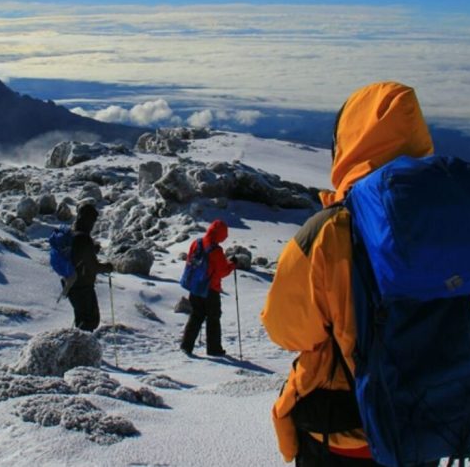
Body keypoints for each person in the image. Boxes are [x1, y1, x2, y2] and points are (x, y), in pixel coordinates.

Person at [260, 82, 440, 466]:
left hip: (342, 430)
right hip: (424, 421)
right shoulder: (448, 220)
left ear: (350, 141)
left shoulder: (329, 232)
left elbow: (284, 328)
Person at [180, 219, 236, 357]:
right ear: (220, 234)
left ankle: (186, 345)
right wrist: (232, 264)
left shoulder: (197, 243)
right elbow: (222, 271)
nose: (225, 237)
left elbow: (190, 260)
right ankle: (214, 349)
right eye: (224, 234)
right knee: (213, 318)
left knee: (196, 315)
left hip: (195, 286)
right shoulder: (216, 250)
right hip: (211, 289)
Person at [65, 203, 113, 331]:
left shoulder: (72, 234)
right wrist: (107, 267)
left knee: (82, 320)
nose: (93, 224)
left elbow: (78, 257)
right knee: (89, 321)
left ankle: (78, 347)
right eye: (92, 220)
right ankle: (81, 348)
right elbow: (92, 266)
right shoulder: (83, 238)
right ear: (87, 219)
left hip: (71, 284)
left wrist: (92, 250)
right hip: (83, 286)